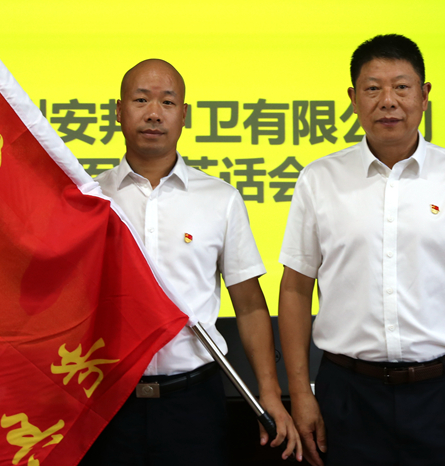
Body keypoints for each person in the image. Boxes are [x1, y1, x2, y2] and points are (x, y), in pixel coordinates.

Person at [278, 34, 445, 466]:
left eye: (401, 87)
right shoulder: (319, 180)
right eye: (373, 88)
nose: (388, 101)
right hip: (348, 395)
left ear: (424, 95)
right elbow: (296, 289)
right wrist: (300, 393)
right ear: (353, 99)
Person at [81, 58, 301, 466]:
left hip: (194, 404)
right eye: (141, 100)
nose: (153, 113)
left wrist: (270, 392)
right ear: (118, 111)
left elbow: (249, 306)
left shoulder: (219, 199)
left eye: (167, 102)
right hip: (107, 403)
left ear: (184, 114)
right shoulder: (89, 201)